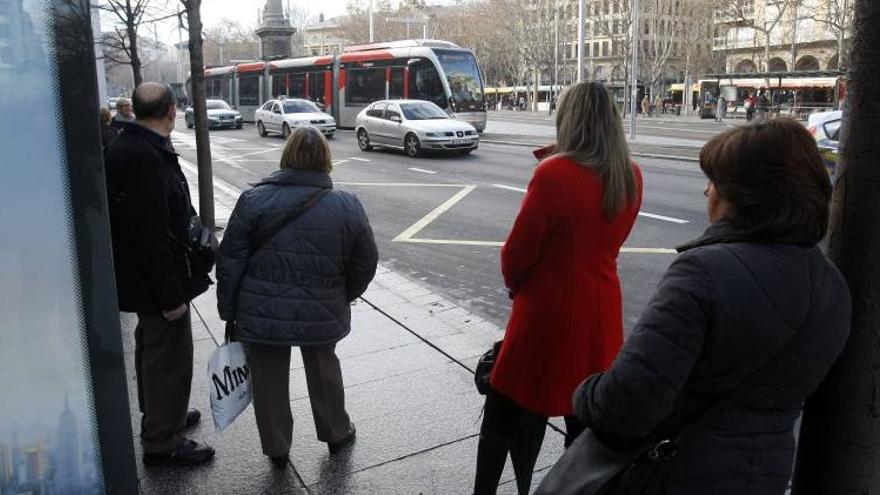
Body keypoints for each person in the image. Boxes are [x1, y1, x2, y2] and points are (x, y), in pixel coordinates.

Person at [570, 119, 851, 494]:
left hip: (679, 473)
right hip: (765, 474)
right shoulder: (832, 286)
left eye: (714, 181)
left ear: (743, 197)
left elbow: (626, 406)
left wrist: (584, 392)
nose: (707, 191)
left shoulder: (703, 272)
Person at [472, 82, 643, 495]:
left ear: (568, 119)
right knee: (582, 419)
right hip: (601, 315)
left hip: (546, 314)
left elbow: (517, 255)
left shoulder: (554, 174)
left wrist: (519, 288)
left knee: (503, 405)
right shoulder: (630, 175)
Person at [216, 126, 378, 468]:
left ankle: (276, 447)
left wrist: (228, 310)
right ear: (326, 159)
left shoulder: (253, 200)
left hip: (261, 311)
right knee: (324, 370)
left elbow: (230, 261)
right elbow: (366, 261)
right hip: (321, 309)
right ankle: (336, 432)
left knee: (268, 379)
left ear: (286, 156)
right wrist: (343, 294)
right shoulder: (346, 205)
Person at [104, 83, 215, 466]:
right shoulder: (143, 157)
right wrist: (170, 297)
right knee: (168, 357)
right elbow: (151, 235)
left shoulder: (132, 145)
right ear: (170, 110)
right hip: (157, 281)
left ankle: (160, 416)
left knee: (151, 347)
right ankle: (163, 439)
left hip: (144, 277)